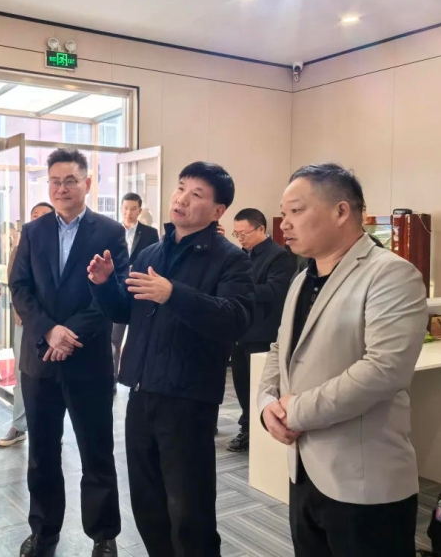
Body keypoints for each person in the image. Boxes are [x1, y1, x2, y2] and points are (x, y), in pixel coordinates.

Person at [257, 163, 427, 557]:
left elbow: (384, 370)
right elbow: (282, 348)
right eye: (284, 212)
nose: (285, 223)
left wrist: (296, 411)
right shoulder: (302, 279)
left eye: (296, 210)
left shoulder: (391, 274)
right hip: (303, 471)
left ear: (341, 211)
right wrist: (266, 404)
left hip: (363, 481)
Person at [89, 162, 254, 557]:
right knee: (148, 503)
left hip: (188, 399)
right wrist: (104, 285)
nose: (181, 198)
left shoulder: (230, 259)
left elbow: (235, 318)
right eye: (181, 188)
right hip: (141, 392)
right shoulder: (152, 252)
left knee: (190, 510)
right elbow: (126, 311)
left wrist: (173, 294)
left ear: (218, 211)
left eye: (197, 194)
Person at [9, 149, 128, 557]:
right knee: (42, 453)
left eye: (71, 180)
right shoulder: (33, 231)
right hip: (39, 360)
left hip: (88, 361)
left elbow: (113, 293)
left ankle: (104, 535)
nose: (62, 188)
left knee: (96, 451)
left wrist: (69, 333)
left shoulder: (110, 232)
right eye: (55, 181)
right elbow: (19, 287)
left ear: (87, 183)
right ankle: (44, 531)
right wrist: (49, 330)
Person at [227, 208, 296, 453]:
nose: (240, 238)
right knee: (241, 383)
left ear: (261, 229)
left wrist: (238, 290)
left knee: (260, 385)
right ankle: (246, 427)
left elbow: (274, 292)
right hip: (239, 329)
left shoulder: (280, 256)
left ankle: (258, 432)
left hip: (263, 333)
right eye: (236, 234)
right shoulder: (239, 255)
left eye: (243, 233)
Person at [0, 201, 55, 448]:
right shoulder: (21, 247)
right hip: (27, 321)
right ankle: (19, 425)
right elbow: (15, 284)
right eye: (34, 215)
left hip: (57, 325)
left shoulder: (64, 247)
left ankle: (52, 428)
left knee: (54, 377)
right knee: (24, 374)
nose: (38, 219)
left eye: (44, 215)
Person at [111, 193, 159, 392]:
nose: (128, 213)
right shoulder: (112, 231)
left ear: (139, 211)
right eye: (125, 208)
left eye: (132, 209)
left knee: (141, 337)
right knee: (113, 339)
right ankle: (112, 379)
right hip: (118, 291)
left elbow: (155, 260)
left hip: (140, 291)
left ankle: (138, 379)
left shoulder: (150, 233)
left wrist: (137, 268)